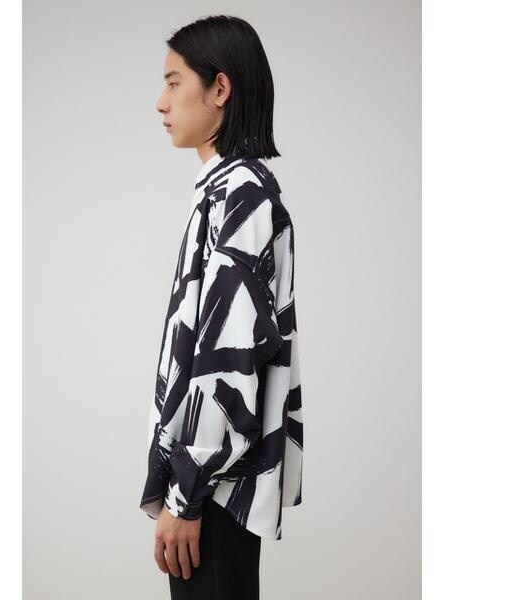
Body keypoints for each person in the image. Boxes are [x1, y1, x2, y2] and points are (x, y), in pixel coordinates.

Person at [139, 15, 304, 600]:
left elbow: (228, 360)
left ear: (220, 89)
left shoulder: (241, 196)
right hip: (210, 482)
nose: (161, 102)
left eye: (174, 82)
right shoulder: (224, 191)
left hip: (214, 490)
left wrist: (186, 494)